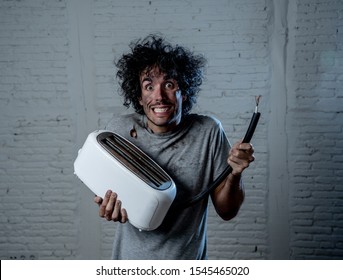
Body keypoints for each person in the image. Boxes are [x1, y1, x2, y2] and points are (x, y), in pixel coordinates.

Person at [94, 34, 255, 259]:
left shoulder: (208, 132)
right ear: (139, 96)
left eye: (169, 84)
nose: (159, 96)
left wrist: (235, 175)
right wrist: (108, 203)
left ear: (184, 91)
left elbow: (227, 211)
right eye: (148, 86)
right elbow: (107, 192)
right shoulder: (119, 131)